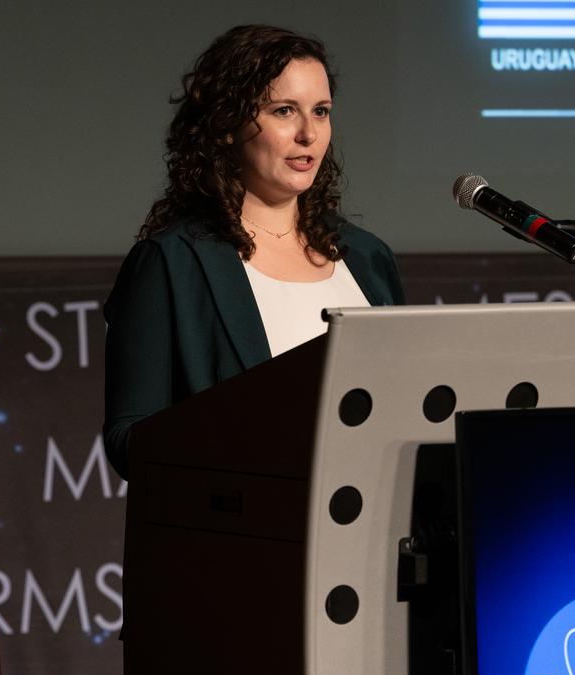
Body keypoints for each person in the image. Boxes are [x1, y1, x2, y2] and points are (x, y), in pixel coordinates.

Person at [102, 24, 405, 479]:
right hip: (247, 535)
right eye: (284, 110)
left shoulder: (366, 257)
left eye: (321, 112)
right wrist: (249, 430)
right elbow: (128, 440)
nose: (309, 134)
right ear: (227, 126)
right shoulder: (172, 263)